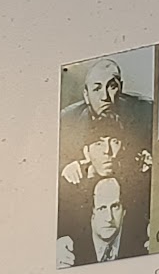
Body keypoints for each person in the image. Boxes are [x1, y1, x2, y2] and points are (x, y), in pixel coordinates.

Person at [59, 56, 153, 189]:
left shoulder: (146, 111)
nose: (105, 97)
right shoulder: (67, 120)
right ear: (86, 95)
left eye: (112, 87)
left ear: (121, 88)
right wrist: (65, 167)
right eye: (97, 89)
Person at [57, 176, 149, 267]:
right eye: (102, 208)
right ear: (92, 212)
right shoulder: (68, 248)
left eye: (115, 207)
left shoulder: (143, 243)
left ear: (124, 211)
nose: (109, 218)